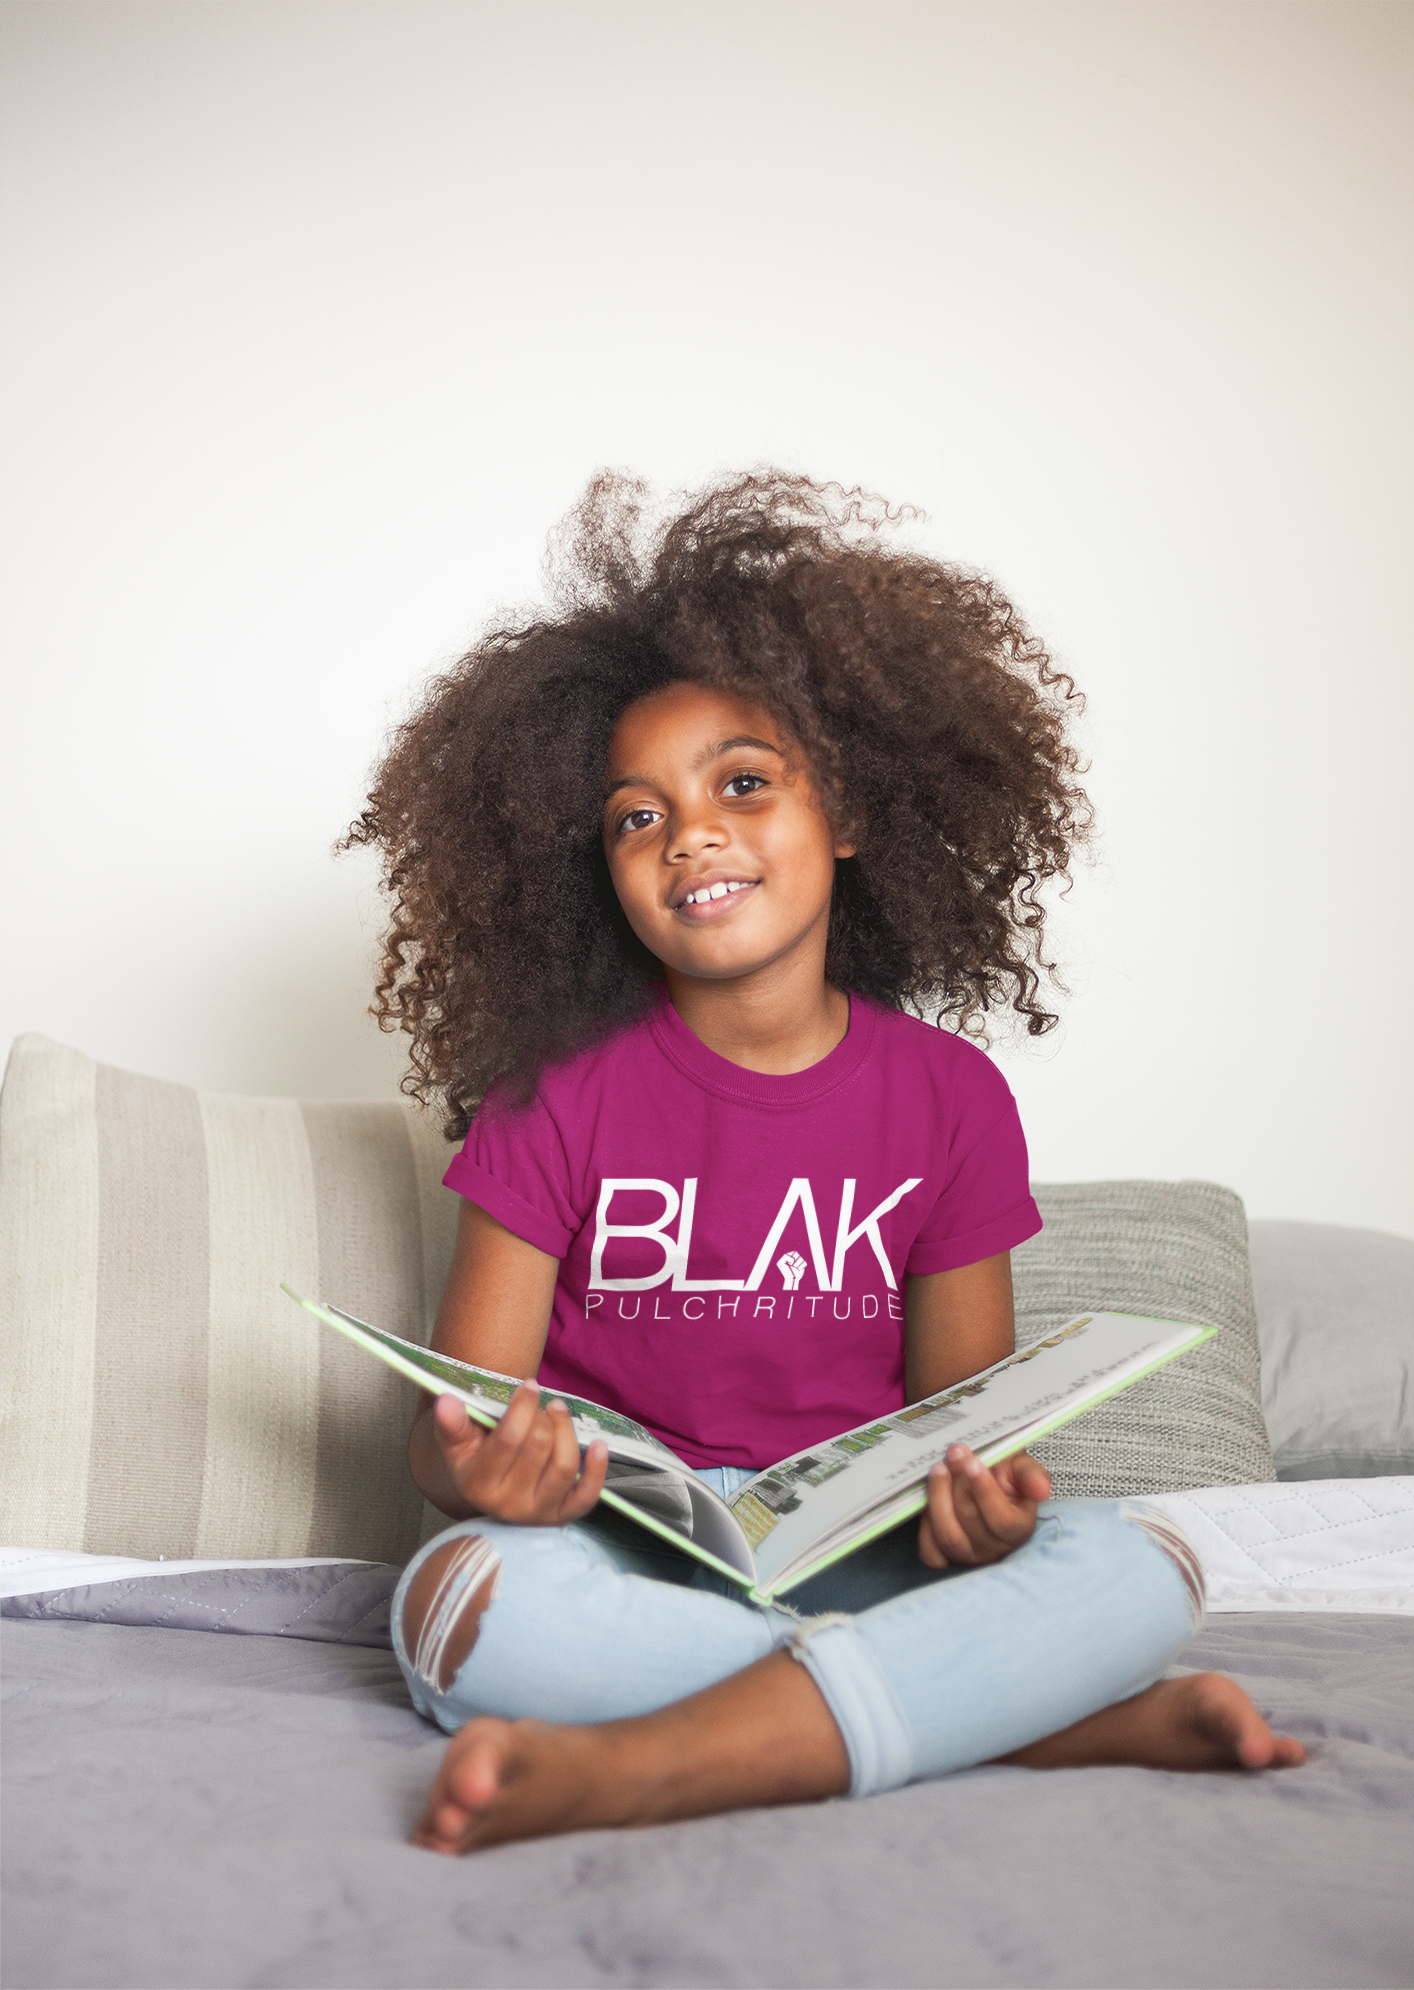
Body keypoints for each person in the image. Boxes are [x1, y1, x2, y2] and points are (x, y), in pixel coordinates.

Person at [346, 473, 1304, 1854]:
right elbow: (453, 1440)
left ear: (847, 816)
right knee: (461, 1602)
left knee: (1139, 1562)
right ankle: (1041, 1723)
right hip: (620, 1555)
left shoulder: (951, 1098)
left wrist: (981, 1518)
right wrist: (484, 1483)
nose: (691, 834)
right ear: (597, 872)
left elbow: (962, 1434)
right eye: (636, 815)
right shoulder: (546, 1098)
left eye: (743, 783)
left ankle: (645, 1764)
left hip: (863, 1561)